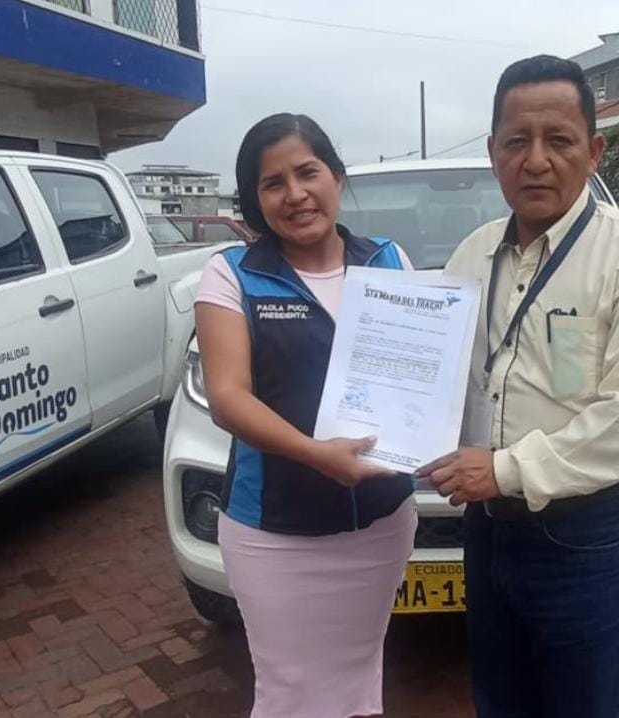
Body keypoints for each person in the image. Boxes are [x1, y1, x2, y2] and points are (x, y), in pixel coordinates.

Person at [416, 55, 619, 718]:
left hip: (585, 534)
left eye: (558, 140)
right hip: (487, 529)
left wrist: (503, 469)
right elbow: (439, 373)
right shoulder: (472, 255)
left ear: (594, 152)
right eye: (517, 141)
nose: (535, 160)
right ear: (494, 153)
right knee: (499, 699)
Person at [194, 113, 418, 718]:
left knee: (359, 675)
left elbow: (415, 373)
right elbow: (228, 397)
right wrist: (316, 455)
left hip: (380, 521)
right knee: (290, 689)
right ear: (256, 199)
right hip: (274, 533)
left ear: (337, 177)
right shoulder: (232, 274)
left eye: (307, 172)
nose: (294, 194)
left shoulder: (388, 259)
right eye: (273, 183)